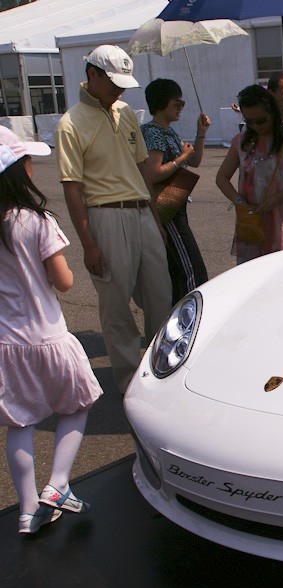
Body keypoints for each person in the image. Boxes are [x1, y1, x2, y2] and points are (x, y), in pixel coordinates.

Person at [0, 126, 102, 534]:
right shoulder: (37, 221)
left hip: (7, 342)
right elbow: (63, 282)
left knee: (19, 423)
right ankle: (58, 484)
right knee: (78, 405)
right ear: (17, 171)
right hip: (48, 336)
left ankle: (27, 510)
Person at [55, 45, 171, 395]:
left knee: (160, 297)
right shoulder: (70, 124)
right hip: (104, 217)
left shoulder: (125, 112)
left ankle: (162, 373)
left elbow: (141, 171)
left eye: (123, 84)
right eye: (113, 83)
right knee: (117, 305)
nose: (119, 90)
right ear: (93, 74)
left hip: (141, 214)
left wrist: (157, 219)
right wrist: (88, 243)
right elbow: (72, 188)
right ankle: (129, 384)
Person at [215, 84, 283, 264]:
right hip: (251, 222)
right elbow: (221, 178)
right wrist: (238, 201)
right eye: (249, 121)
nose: (256, 126)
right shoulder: (241, 141)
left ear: (273, 113)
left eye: (261, 120)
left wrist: (276, 199)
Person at [141, 78, 210, 306]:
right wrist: (182, 158)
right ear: (162, 102)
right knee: (193, 270)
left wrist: (200, 134)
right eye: (177, 102)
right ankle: (194, 318)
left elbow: (196, 160)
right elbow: (153, 173)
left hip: (174, 205)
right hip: (166, 209)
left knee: (179, 270)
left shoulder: (167, 132)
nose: (181, 107)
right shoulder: (153, 133)